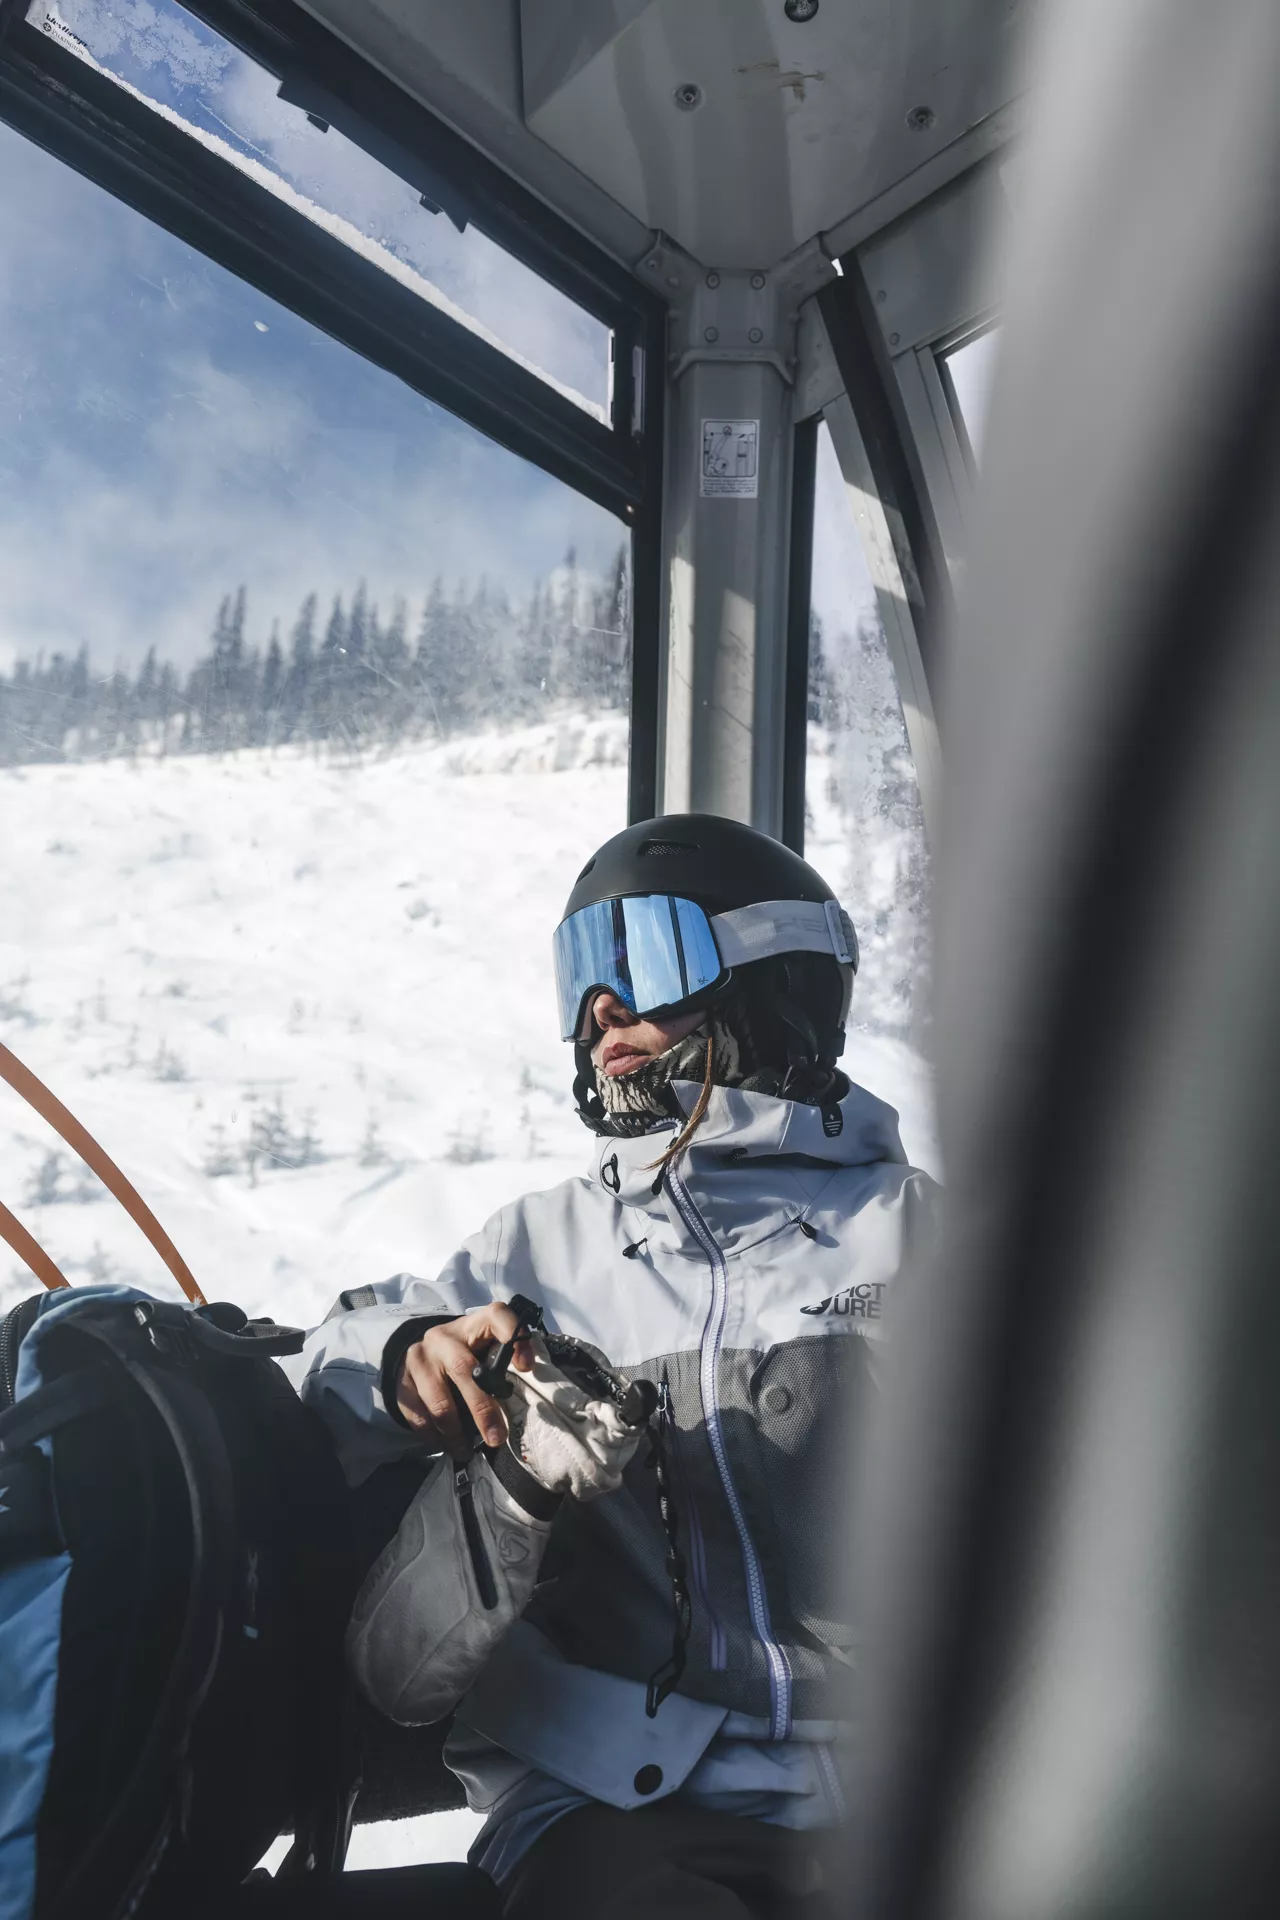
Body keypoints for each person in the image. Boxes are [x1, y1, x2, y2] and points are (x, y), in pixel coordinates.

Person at [296, 814, 938, 1918]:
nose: (601, 1007)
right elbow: (319, 1368)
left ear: (773, 976)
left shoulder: (918, 1237)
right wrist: (406, 1357)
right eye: (580, 972)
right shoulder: (534, 1253)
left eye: (644, 955)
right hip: (618, 1796)